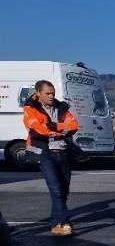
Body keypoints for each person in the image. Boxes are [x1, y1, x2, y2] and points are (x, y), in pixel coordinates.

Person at [23, 80, 79, 236]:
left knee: (63, 190)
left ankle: (56, 223)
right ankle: (64, 222)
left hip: (63, 152)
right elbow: (38, 129)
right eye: (47, 93)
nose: (51, 96)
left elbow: (74, 125)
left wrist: (54, 128)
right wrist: (60, 128)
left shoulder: (61, 107)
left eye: (53, 93)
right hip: (44, 154)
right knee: (56, 190)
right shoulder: (30, 109)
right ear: (38, 94)